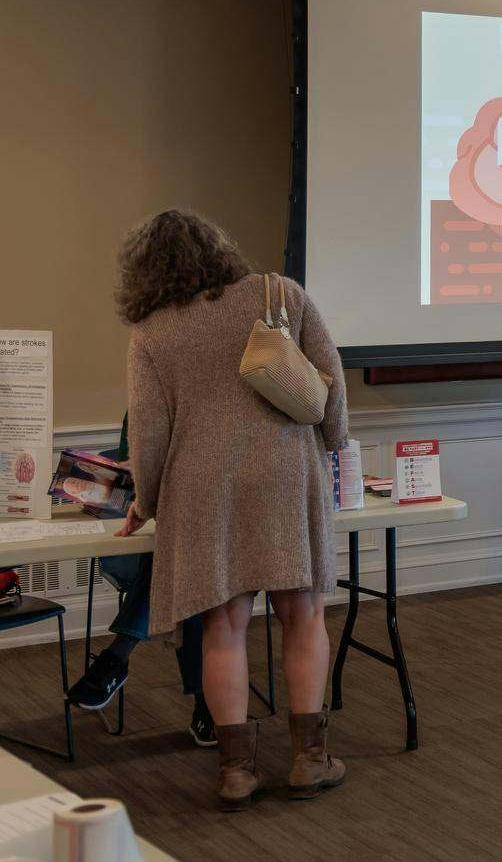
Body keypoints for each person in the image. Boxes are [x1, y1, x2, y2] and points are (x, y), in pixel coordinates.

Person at [117, 209, 347, 811]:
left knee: (222, 628)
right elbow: (331, 387)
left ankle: (237, 771)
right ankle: (309, 760)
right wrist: (334, 442)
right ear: (219, 248)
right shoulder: (281, 295)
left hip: (204, 486)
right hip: (286, 472)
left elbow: (149, 436)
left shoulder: (151, 333)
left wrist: (146, 500)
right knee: (303, 615)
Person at [60, 419, 212, 745]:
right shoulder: (145, 401)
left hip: (201, 539)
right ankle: (206, 703)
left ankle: (117, 657)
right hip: (151, 540)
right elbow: (132, 481)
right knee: (185, 570)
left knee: (185, 565)